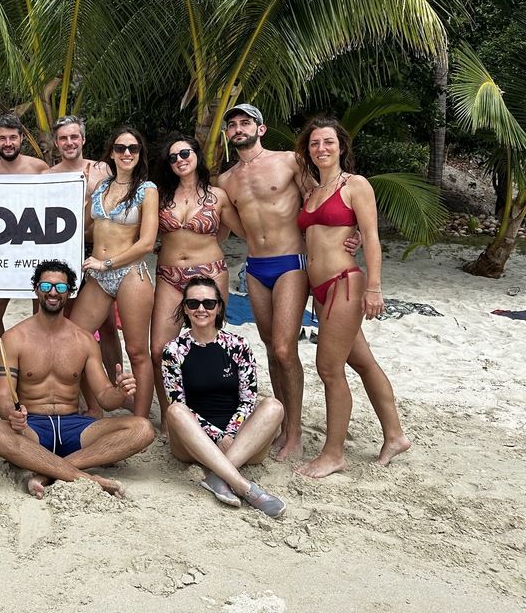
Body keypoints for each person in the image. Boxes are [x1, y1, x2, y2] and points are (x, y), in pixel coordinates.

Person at [294, 119, 410, 477]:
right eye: (314, 143)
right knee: (362, 362)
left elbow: (372, 237)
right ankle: (395, 436)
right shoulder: (311, 189)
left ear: (341, 147)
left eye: (328, 142)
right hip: (321, 289)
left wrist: (374, 287)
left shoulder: (354, 185)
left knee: (329, 369)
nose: (321, 149)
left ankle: (333, 453)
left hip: (345, 281)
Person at [0, 260, 155, 498]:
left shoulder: (84, 340)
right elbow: (4, 395)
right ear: (36, 289)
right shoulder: (13, 338)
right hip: (32, 427)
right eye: (46, 286)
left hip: (74, 426)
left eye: (61, 288)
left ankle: (48, 471)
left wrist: (119, 392)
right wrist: (10, 413)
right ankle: (85, 477)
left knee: (142, 429)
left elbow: (105, 398)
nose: (53, 292)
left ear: (70, 292)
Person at [216, 104, 310, 460]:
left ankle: (296, 432)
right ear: (228, 134)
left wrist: (351, 235)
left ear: (261, 128)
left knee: (286, 349)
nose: (239, 128)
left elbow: (318, 199)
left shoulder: (289, 161)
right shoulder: (226, 181)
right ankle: (281, 423)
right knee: (272, 348)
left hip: (291, 262)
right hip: (255, 266)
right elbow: (222, 227)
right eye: (233, 125)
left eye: (245, 122)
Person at [162, 276, 287, 517]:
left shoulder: (238, 345)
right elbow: (178, 401)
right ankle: (245, 487)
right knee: (175, 411)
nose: (201, 309)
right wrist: (217, 437)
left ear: (218, 307)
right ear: (185, 309)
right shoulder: (173, 351)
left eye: (208, 303)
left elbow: (248, 399)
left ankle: (218, 476)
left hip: (240, 440)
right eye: (193, 303)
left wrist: (230, 434)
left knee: (273, 406)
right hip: (194, 444)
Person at [151, 133, 243, 431]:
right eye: (173, 157)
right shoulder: (160, 195)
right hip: (169, 276)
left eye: (185, 153)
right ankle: (170, 415)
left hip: (210, 273)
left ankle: (208, 411)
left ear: (197, 155)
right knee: (159, 350)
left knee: (208, 348)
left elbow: (245, 229)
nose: (180, 160)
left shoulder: (218, 196)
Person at [70, 127, 158, 418]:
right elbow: (78, 226)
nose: (127, 153)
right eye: (121, 148)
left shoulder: (147, 190)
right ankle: (95, 408)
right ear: (112, 153)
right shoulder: (101, 187)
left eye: (133, 148)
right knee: (77, 342)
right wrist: (79, 191)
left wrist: (106, 263)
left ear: (140, 154)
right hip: (97, 275)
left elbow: (146, 243)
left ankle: (140, 420)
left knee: (136, 351)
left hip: (129, 272)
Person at [47, 115, 124, 381]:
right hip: (64, 252)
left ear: (83, 139)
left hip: (99, 250)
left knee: (107, 325)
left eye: (73, 136)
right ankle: (74, 385)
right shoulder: (48, 176)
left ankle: (115, 381)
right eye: (63, 138)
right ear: (56, 143)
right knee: (69, 320)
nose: (69, 142)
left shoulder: (104, 169)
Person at [0, 114, 49, 386]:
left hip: (37, 251)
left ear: (21, 138)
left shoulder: (40, 168)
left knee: (41, 312)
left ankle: (38, 373)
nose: (8, 143)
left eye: (12, 137)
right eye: (2, 138)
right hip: (4, 255)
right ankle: (3, 374)